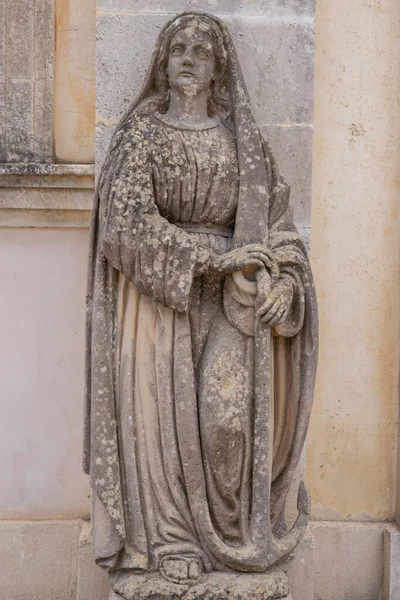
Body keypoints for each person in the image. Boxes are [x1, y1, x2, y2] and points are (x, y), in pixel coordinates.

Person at [84, 11, 318, 586]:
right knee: (158, 426)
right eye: (179, 48)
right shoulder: (142, 134)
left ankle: (233, 537)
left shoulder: (245, 143)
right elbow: (125, 225)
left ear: (219, 69)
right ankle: (170, 540)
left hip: (231, 304)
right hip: (159, 302)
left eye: (203, 50)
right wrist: (214, 259)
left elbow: (280, 227)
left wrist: (286, 284)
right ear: (163, 64)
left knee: (226, 421)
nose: (189, 57)